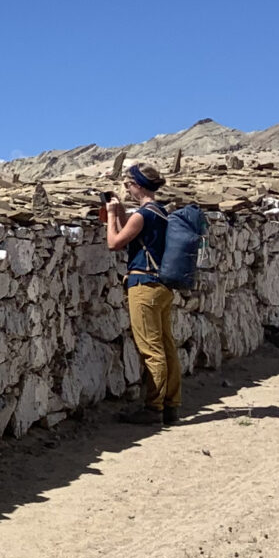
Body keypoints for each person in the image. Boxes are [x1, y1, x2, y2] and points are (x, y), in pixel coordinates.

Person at [102, 161, 181, 426]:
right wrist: (122, 213)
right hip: (163, 285)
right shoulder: (160, 213)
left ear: (137, 185)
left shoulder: (142, 215)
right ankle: (172, 404)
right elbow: (138, 236)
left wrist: (112, 215)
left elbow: (114, 242)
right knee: (167, 346)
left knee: (151, 349)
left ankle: (153, 408)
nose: (126, 189)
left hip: (143, 285)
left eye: (127, 185)